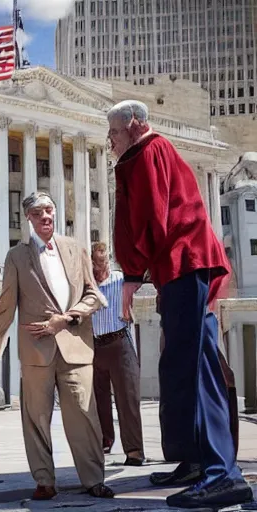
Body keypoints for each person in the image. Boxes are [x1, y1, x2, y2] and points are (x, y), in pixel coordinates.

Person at [108, 99, 253, 509]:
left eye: (114, 134)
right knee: (183, 363)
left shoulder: (146, 153)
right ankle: (194, 460)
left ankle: (222, 474)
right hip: (185, 266)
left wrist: (132, 275)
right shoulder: (155, 152)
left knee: (195, 368)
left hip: (185, 264)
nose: (110, 143)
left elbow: (148, 217)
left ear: (134, 126)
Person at [0, 192, 114, 501]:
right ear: (29, 219)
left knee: (84, 416)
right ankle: (45, 481)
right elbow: (5, 308)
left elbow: (94, 295)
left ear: (55, 213)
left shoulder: (76, 250)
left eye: (49, 210)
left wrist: (65, 319)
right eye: (38, 212)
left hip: (75, 347)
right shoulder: (17, 257)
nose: (45, 216)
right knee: (35, 418)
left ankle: (94, 480)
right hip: (36, 352)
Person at [150, 296, 240, 487]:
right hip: (184, 310)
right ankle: (195, 462)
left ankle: (211, 465)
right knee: (184, 387)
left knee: (203, 387)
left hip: (198, 311)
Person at [90, 242, 144, 466]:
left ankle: (134, 451)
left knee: (128, 398)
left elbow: (141, 277)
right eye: (97, 263)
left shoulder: (121, 280)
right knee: (97, 399)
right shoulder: (87, 284)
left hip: (119, 341)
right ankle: (104, 440)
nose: (101, 268)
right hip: (94, 346)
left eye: (104, 263)